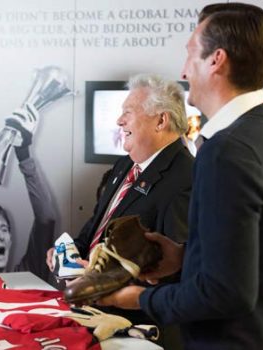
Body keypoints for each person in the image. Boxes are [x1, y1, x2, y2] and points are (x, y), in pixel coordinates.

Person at [97, 3, 263, 349]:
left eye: (190, 55)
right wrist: (185, 256)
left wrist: (136, 298)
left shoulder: (227, 150)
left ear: (216, 60)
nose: (183, 72)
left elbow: (225, 293)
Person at [47, 74, 194, 349]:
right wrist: (70, 253)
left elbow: (174, 272)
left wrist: (100, 278)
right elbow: (96, 226)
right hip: (95, 316)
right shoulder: (126, 164)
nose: (119, 121)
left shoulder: (186, 178)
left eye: (128, 112)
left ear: (160, 121)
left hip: (138, 330)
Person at [0, 105, 57, 282]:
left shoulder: (28, 272)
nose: (0, 236)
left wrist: (24, 154)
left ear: (10, 239)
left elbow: (47, 218)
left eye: (5, 229)